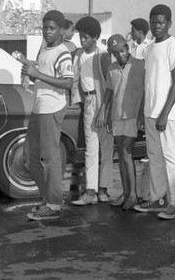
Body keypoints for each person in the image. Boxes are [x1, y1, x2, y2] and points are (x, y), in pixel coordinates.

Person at [134, 4, 175, 220]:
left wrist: (165, 113)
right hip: (150, 112)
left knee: (171, 156)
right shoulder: (149, 48)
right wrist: (141, 111)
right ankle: (158, 198)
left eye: (161, 22)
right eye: (153, 21)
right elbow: (149, 83)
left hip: (167, 114)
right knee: (154, 156)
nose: (156, 26)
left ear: (169, 24)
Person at [23, 10, 73, 221]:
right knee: (29, 156)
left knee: (50, 158)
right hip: (39, 107)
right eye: (45, 27)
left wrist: (37, 74)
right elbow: (42, 78)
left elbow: (68, 82)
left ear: (62, 30)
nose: (47, 31)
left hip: (52, 108)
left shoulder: (63, 52)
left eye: (52, 28)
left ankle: (54, 205)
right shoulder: (44, 49)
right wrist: (29, 72)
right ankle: (48, 198)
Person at [95, 34, 145, 210]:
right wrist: (105, 112)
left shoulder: (140, 65)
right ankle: (126, 193)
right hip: (116, 115)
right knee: (121, 155)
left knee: (126, 153)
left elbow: (146, 92)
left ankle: (133, 195)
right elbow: (109, 91)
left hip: (132, 115)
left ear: (127, 47)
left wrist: (141, 115)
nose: (120, 55)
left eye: (122, 51)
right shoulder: (112, 68)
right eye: (115, 53)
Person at [70, 16, 113, 206]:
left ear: (96, 37)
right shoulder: (78, 54)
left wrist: (104, 110)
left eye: (86, 37)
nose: (82, 40)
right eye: (80, 36)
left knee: (107, 148)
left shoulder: (102, 56)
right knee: (91, 148)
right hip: (88, 102)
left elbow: (110, 85)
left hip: (103, 102)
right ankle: (91, 191)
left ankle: (103, 189)